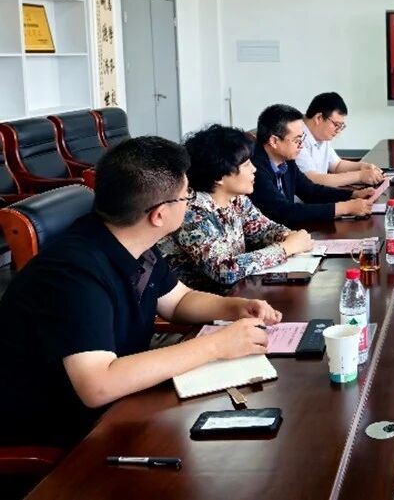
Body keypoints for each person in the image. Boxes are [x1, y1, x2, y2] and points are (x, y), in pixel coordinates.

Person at [0, 137, 283, 448]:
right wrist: (216, 346)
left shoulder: (132, 239)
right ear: (159, 215)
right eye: (186, 195)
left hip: (122, 401)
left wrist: (234, 308)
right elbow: (97, 385)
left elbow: (178, 300)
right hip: (64, 430)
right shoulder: (73, 273)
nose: (190, 201)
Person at [159, 125, 314, 293]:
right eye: (246, 165)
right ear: (219, 176)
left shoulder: (236, 199)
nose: (254, 169)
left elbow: (264, 230)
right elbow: (224, 270)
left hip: (236, 292)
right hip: (198, 302)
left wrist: (288, 236)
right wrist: (286, 248)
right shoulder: (191, 213)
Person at [250, 104, 374, 226]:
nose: (301, 145)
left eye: (302, 138)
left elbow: (310, 191)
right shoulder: (254, 169)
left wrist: (353, 195)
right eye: (297, 140)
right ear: (274, 141)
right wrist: (344, 208)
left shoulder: (286, 160)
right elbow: (285, 211)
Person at [297, 92, 384, 188]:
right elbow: (314, 179)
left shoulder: (320, 135)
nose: (338, 130)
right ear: (319, 118)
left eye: (341, 126)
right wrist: (360, 176)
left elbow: (337, 165)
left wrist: (361, 166)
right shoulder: (296, 137)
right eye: (336, 125)